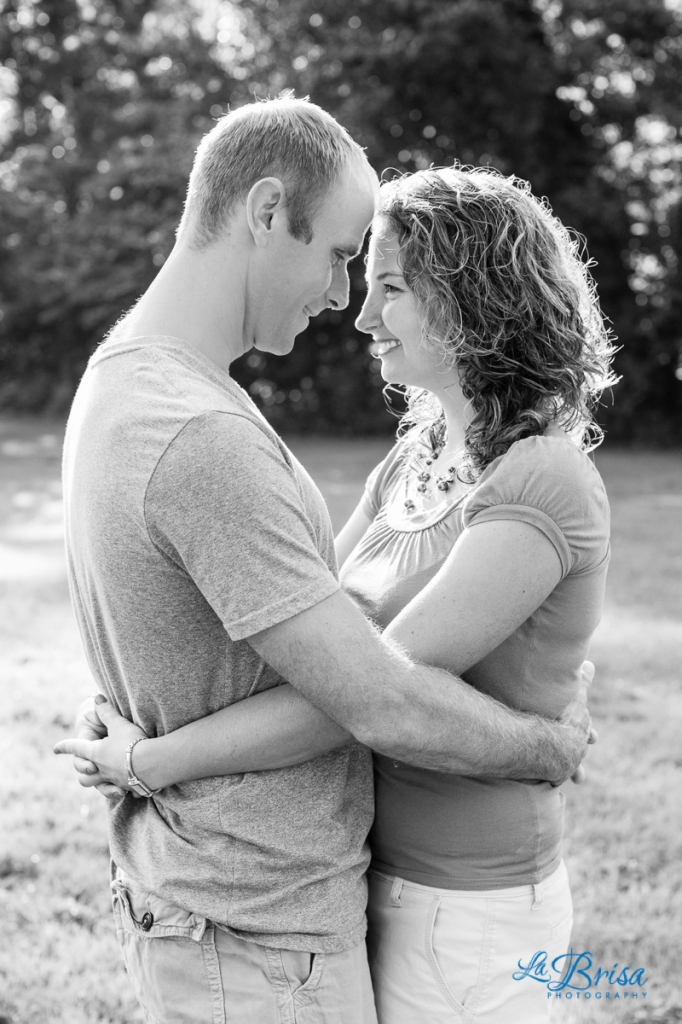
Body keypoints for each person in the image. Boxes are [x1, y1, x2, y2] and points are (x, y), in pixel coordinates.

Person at [55, 97, 594, 1024]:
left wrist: (148, 755)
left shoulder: (138, 384)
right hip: (257, 920)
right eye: (344, 258)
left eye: (382, 280)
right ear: (268, 211)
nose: (348, 303)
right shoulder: (204, 430)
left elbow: (355, 670)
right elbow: (372, 691)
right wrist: (548, 745)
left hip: (370, 906)